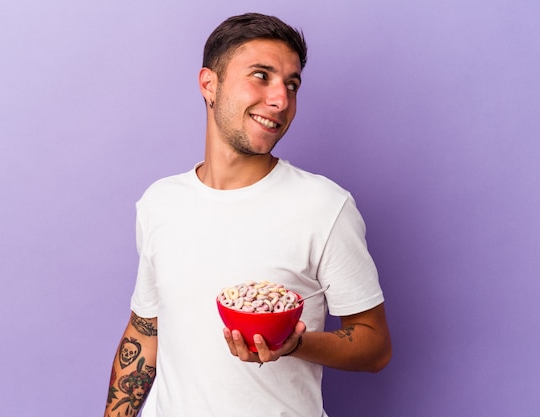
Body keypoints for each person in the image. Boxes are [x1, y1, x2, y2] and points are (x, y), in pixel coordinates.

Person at [104, 12, 392, 417]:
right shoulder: (160, 202)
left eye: (292, 84)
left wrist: (293, 344)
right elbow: (146, 331)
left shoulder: (324, 206)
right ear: (210, 84)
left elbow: (374, 344)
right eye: (261, 75)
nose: (281, 100)